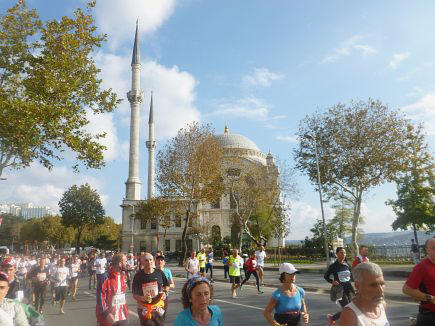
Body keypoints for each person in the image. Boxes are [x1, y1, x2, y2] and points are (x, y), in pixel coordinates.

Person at [402, 237, 435, 325]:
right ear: (427, 250)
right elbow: (407, 289)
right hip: (430, 316)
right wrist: (431, 298)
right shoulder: (422, 267)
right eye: (433, 248)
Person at [132, 253, 169, 325]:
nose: (149, 262)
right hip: (144, 308)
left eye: (150, 260)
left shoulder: (159, 272)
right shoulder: (138, 275)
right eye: (146, 260)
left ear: (153, 261)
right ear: (142, 262)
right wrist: (142, 298)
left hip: (158, 307)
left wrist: (164, 292)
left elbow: (166, 285)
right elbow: (134, 294)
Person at [324, 247, 355, 325]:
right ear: (337, 254)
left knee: (351, 307)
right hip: (339, 290)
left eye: (344, 253)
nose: (343, 254)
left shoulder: (347, 264)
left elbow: (352, 277)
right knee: (347, 307)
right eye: (341, 252)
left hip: (349, 288)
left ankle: (332, 318)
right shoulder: (334, 266)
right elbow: (326, 276)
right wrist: (332, 281)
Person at [97, 253, 129, 326]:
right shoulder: (105, 278)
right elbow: (100, 298)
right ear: (120, 264)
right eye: (125, 261)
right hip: (109, 317)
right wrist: (106, 314)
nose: (127, 263)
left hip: (122, 315)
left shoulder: (123, 276)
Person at [155, 255, 174, 321]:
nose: (160, 261)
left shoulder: (167, 271)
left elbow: (172, 284)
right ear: (155, 262)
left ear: (164, 262)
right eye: (158, 260)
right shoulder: (153, 271)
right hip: (155, 296)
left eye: (161, 260)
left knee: (162, 314)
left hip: (164, 296)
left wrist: (165, 286)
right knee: (154, 315)